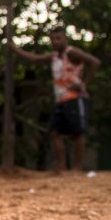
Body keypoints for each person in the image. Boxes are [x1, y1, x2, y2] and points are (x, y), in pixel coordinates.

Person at [12, 26, 101, 172]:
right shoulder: (54, 56)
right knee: (54, 132)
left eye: (58, 38)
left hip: (75, 97)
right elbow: (35, 59)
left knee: (78, 133)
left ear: (65, 38)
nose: (55, 41)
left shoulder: (71, 53)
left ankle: (77, 167)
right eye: (53, 39)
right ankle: (62, 166)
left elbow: (95, 62)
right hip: (61, 99)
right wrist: (15, 49)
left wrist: (84, 84)